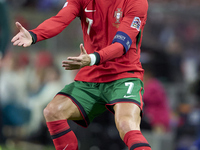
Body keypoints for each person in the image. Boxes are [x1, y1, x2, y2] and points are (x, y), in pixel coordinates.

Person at [11, 0, 151, 149]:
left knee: (126, 124)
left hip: (123, 75)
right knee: (52, 112)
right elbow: (60, 20)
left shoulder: (136, 2)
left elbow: (121, 45)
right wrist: (34, 35)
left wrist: (92, 58)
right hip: (91, 75)